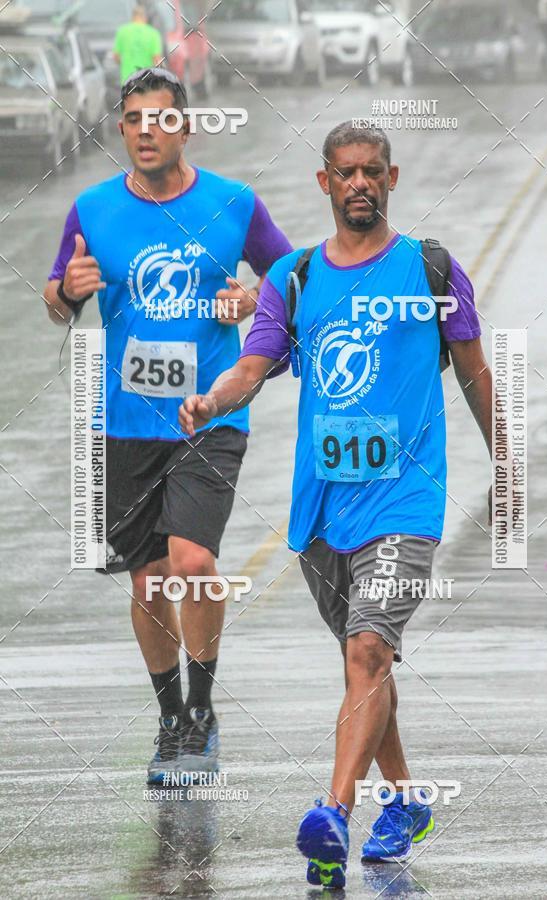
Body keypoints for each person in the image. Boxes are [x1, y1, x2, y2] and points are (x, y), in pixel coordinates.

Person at [179, 122, 492, 888]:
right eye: (346, 172)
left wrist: (508, 465)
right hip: (323, 511)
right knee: (367, 665)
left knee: (367, 651)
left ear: (392, 178)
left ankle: (334, 814)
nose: (360, 183)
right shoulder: (293, 276)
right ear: (325, 182)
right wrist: (214, 398)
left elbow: (478, 374)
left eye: (373, 172)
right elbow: (254, 364)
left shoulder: (430, 269)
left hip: (407, 503)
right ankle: (407, 801)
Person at [43, 68, 292, 785]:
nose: (146, 131)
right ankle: (169, 715)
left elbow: (292, 282)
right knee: (148, 583)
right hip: (126, 422)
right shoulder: (91, 210)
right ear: (121, 130)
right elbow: (59, 302)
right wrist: (66, 292)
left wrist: (252, 301)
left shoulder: (233, 204)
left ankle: (203, 710)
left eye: (160, 119)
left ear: (185, 127)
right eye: (133, 121)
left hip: (207, 415)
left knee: (192, 563)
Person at [113, 5, 163, 84]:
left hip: (128, 79)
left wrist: (125, 63)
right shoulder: (153, 33)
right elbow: (157, 59)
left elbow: (116, 57)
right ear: (145, 18)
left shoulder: (122, 31)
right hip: (146, 80)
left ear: (132, 17)